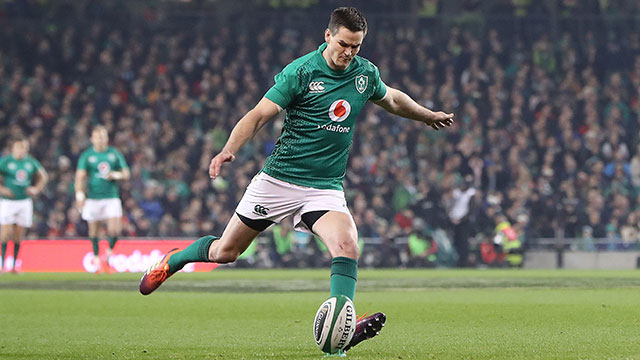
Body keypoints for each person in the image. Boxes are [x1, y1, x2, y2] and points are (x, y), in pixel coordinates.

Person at [140, 7, 454, 353]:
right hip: (279, 181)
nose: (349, 53)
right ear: (328, 36)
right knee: (225, 252)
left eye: (357, 46)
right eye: (345, 44)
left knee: (348, 244)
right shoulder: (301, 72)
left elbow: (392, 98)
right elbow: (259, 113)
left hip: (324, 187)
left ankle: (341, 331)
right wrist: (229, 149)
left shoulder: (364, 74)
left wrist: (427, 116)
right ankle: (175, 259)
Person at [75, 126, 130, 273]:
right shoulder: (87, 156)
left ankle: (109, 254)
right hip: (93, 198)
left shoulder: (114, 154)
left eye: (103, 137)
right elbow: (80, 176)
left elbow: (126, 173)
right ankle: (97, 259)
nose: (100, 140)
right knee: (94, 231)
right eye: (97, 137)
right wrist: (79, 195)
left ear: (107, 139)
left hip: (111, 197)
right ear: (92, 139)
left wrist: (116, 175)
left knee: (115, 229)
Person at [0, 139, 48, 273]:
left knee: (18, 234)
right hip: (8, 202)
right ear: (13, 149)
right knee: (5, 233)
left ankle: (15, 265)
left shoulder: (30, 162)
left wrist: (36, 189)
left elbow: (43, 176)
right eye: (19, 147)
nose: (21, 150)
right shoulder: (6, 162)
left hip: (24, 202)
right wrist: (2, 189)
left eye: (24, 148)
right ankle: (3, 264)